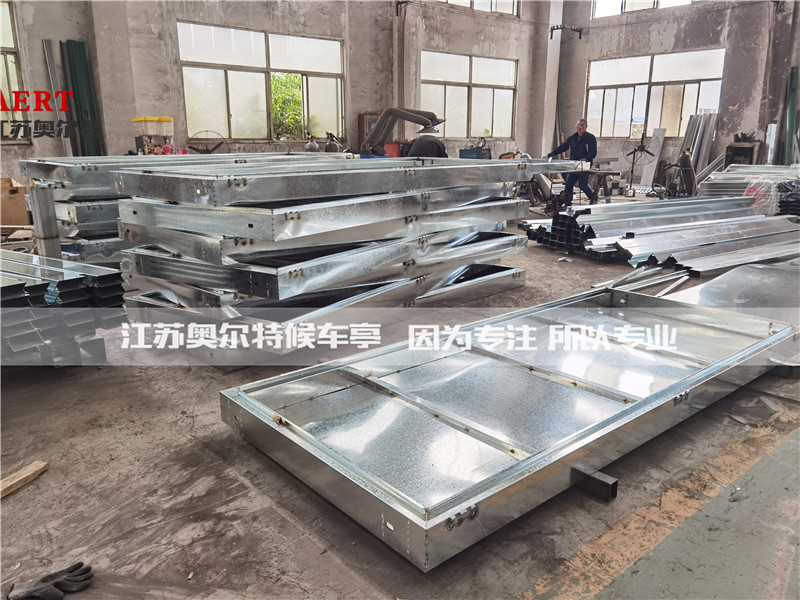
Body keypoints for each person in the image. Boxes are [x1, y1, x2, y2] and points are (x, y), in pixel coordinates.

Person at [547, 119, 597, 210]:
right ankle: (567, 204)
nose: (579, 128)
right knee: (568, 185)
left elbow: (593, 152)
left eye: (581, 126)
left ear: (586, 127)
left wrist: (586, 159)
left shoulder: (590, 138)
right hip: (573, 165)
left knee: (583, 185)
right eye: (577, 126)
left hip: (584, 165)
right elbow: (563, 147)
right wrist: (553, 153)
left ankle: (594, 201)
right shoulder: (572, 138)